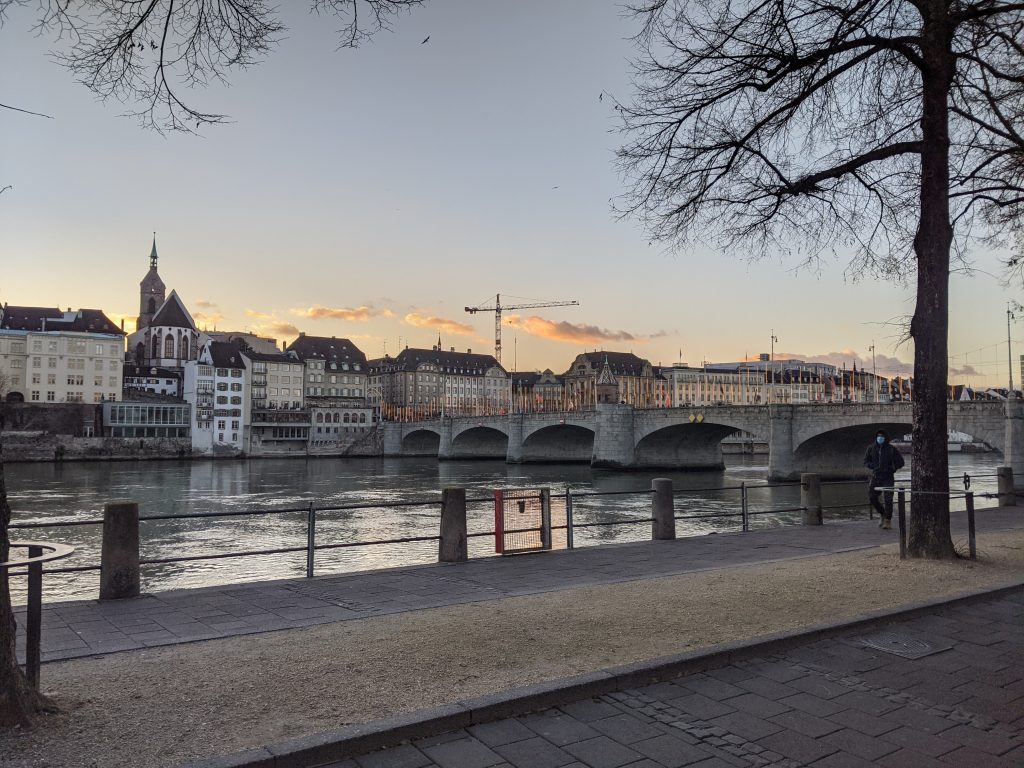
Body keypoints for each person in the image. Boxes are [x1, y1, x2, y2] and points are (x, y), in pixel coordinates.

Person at [863, 429, 905, 529]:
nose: (880, 438)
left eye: (882, 436)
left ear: (885, 438)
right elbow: (865, 461)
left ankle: (887, 520)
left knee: (888, 499)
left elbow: (901, 462)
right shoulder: (871, 448)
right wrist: (872, 466)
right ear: (876, 437)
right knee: (872, 497)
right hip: (876, 476)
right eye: (878, 436)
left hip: (888, 477)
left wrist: (892, 468)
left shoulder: (891, 449)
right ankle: (882, 513)